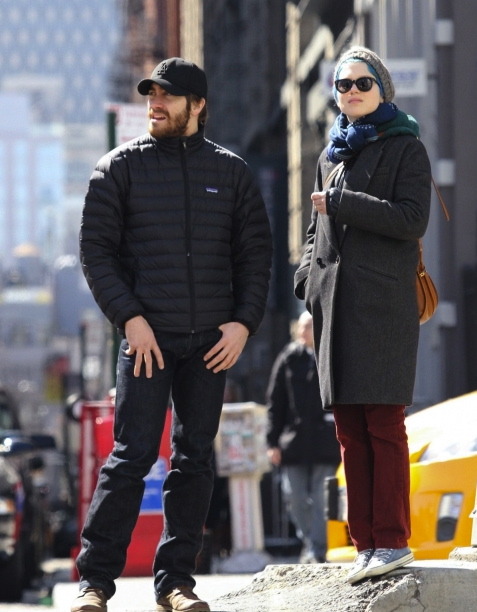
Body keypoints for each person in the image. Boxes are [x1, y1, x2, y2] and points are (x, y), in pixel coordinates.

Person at [72, 57, 273, 612]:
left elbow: (256, 255)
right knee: (131, 456)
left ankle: (176, 584)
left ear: (197, 105)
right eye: (150, 96)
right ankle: (95, 584)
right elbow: (96, 253)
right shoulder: (118, 168)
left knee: (193, 460)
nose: (154, 105)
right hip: (146, 341)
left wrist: (242, 322)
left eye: (166, 96)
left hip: (210, 343)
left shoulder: (232, 172)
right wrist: (130, 319)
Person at [294, 46, 431, 585]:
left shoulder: (406, 147)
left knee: (382, 424)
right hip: (335, 306)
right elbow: (315, 232)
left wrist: (343, 203)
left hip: (381, 306)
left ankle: (392, 540)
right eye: (342, 84)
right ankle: (365, 544)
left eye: (361, 83)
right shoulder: (332, 153)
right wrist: (308, 281)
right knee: (349, 430)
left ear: (382, 88)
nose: (351, 91)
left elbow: (412, 220)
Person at [266, 310, 340, 563]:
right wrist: (272, 442)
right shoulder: (288, 357)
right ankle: (309, 542)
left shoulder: (330, 353)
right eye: (303, 326)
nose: (305, 330)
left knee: (322, 499)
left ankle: (317, 550)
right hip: (294, 440)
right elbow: (275, 402)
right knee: (294, 497)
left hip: (325, 439)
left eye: (310, 325)